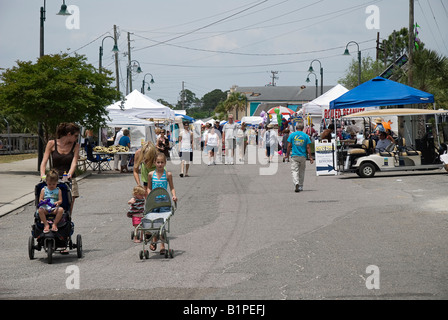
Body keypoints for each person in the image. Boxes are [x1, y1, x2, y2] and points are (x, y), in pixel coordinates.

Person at [40, 122, 80, 214]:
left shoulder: (76, 146)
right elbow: (44, 161)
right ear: (69, 134)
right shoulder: (52, 143)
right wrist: (43, 174)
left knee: (68, 207)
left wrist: (69, 174)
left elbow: (74, 162)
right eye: (76, 136)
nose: (76, 138)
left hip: (69, 179)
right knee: (50, 205)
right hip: (54, 179)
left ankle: (67, 224)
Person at [147, 152, 177, 254]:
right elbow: (149, 187)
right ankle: (154, 239)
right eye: (158, 162)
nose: (160, 164)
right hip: (154, 201)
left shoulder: (168, 175)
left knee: (162, 223)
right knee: (154, 222)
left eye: (162, 162)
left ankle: (162, 245)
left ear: (165, 163)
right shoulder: (151, 174)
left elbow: (172, 187)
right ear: (154, 162)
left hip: (164, 201)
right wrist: (149, 194)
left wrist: (174, 195)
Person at [286, 122, 314, 192]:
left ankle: (296, 183)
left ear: (296, 128)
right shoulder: (306, 136)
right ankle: (301, 186)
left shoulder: (292, 135)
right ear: (302, 128)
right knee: (302, 171)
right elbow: (308, 147)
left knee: (294, 171)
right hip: (303, 156)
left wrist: (287, 155)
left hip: (294, 155)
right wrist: (310, 157)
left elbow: (289, 146)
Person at [38, 169, 64, 233]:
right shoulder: (44, 190)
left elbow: (60, 200)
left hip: (54, 208)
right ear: (46, 182)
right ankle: (46, 225)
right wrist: (43, 201)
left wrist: (57, 202)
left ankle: (54, 224)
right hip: (46, 208)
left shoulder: (58, 190)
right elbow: (40, 200)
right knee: (40, 210)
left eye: (53, 184)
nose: (51, 186)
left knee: (61, 210)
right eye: (49, 184)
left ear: (57, 183)